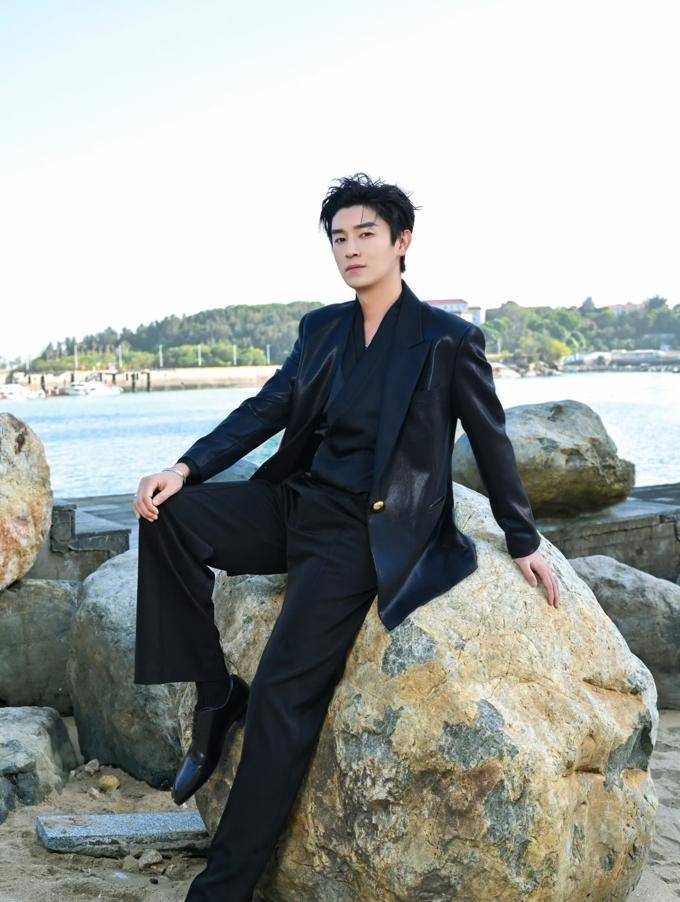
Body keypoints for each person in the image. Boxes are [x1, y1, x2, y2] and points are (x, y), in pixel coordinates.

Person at [132, 172, 561, 901]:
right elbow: (266, 409)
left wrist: (523, 539)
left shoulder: (448, 340)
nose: (351, 249)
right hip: (296, 503)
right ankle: (215, 692)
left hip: (364, 532)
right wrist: (184, 467)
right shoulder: (322, 329)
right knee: (168, 517)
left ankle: (221, 891)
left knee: (283, 697)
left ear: (402, 242)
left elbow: (492, 440)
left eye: (366, 234)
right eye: (339, 237)